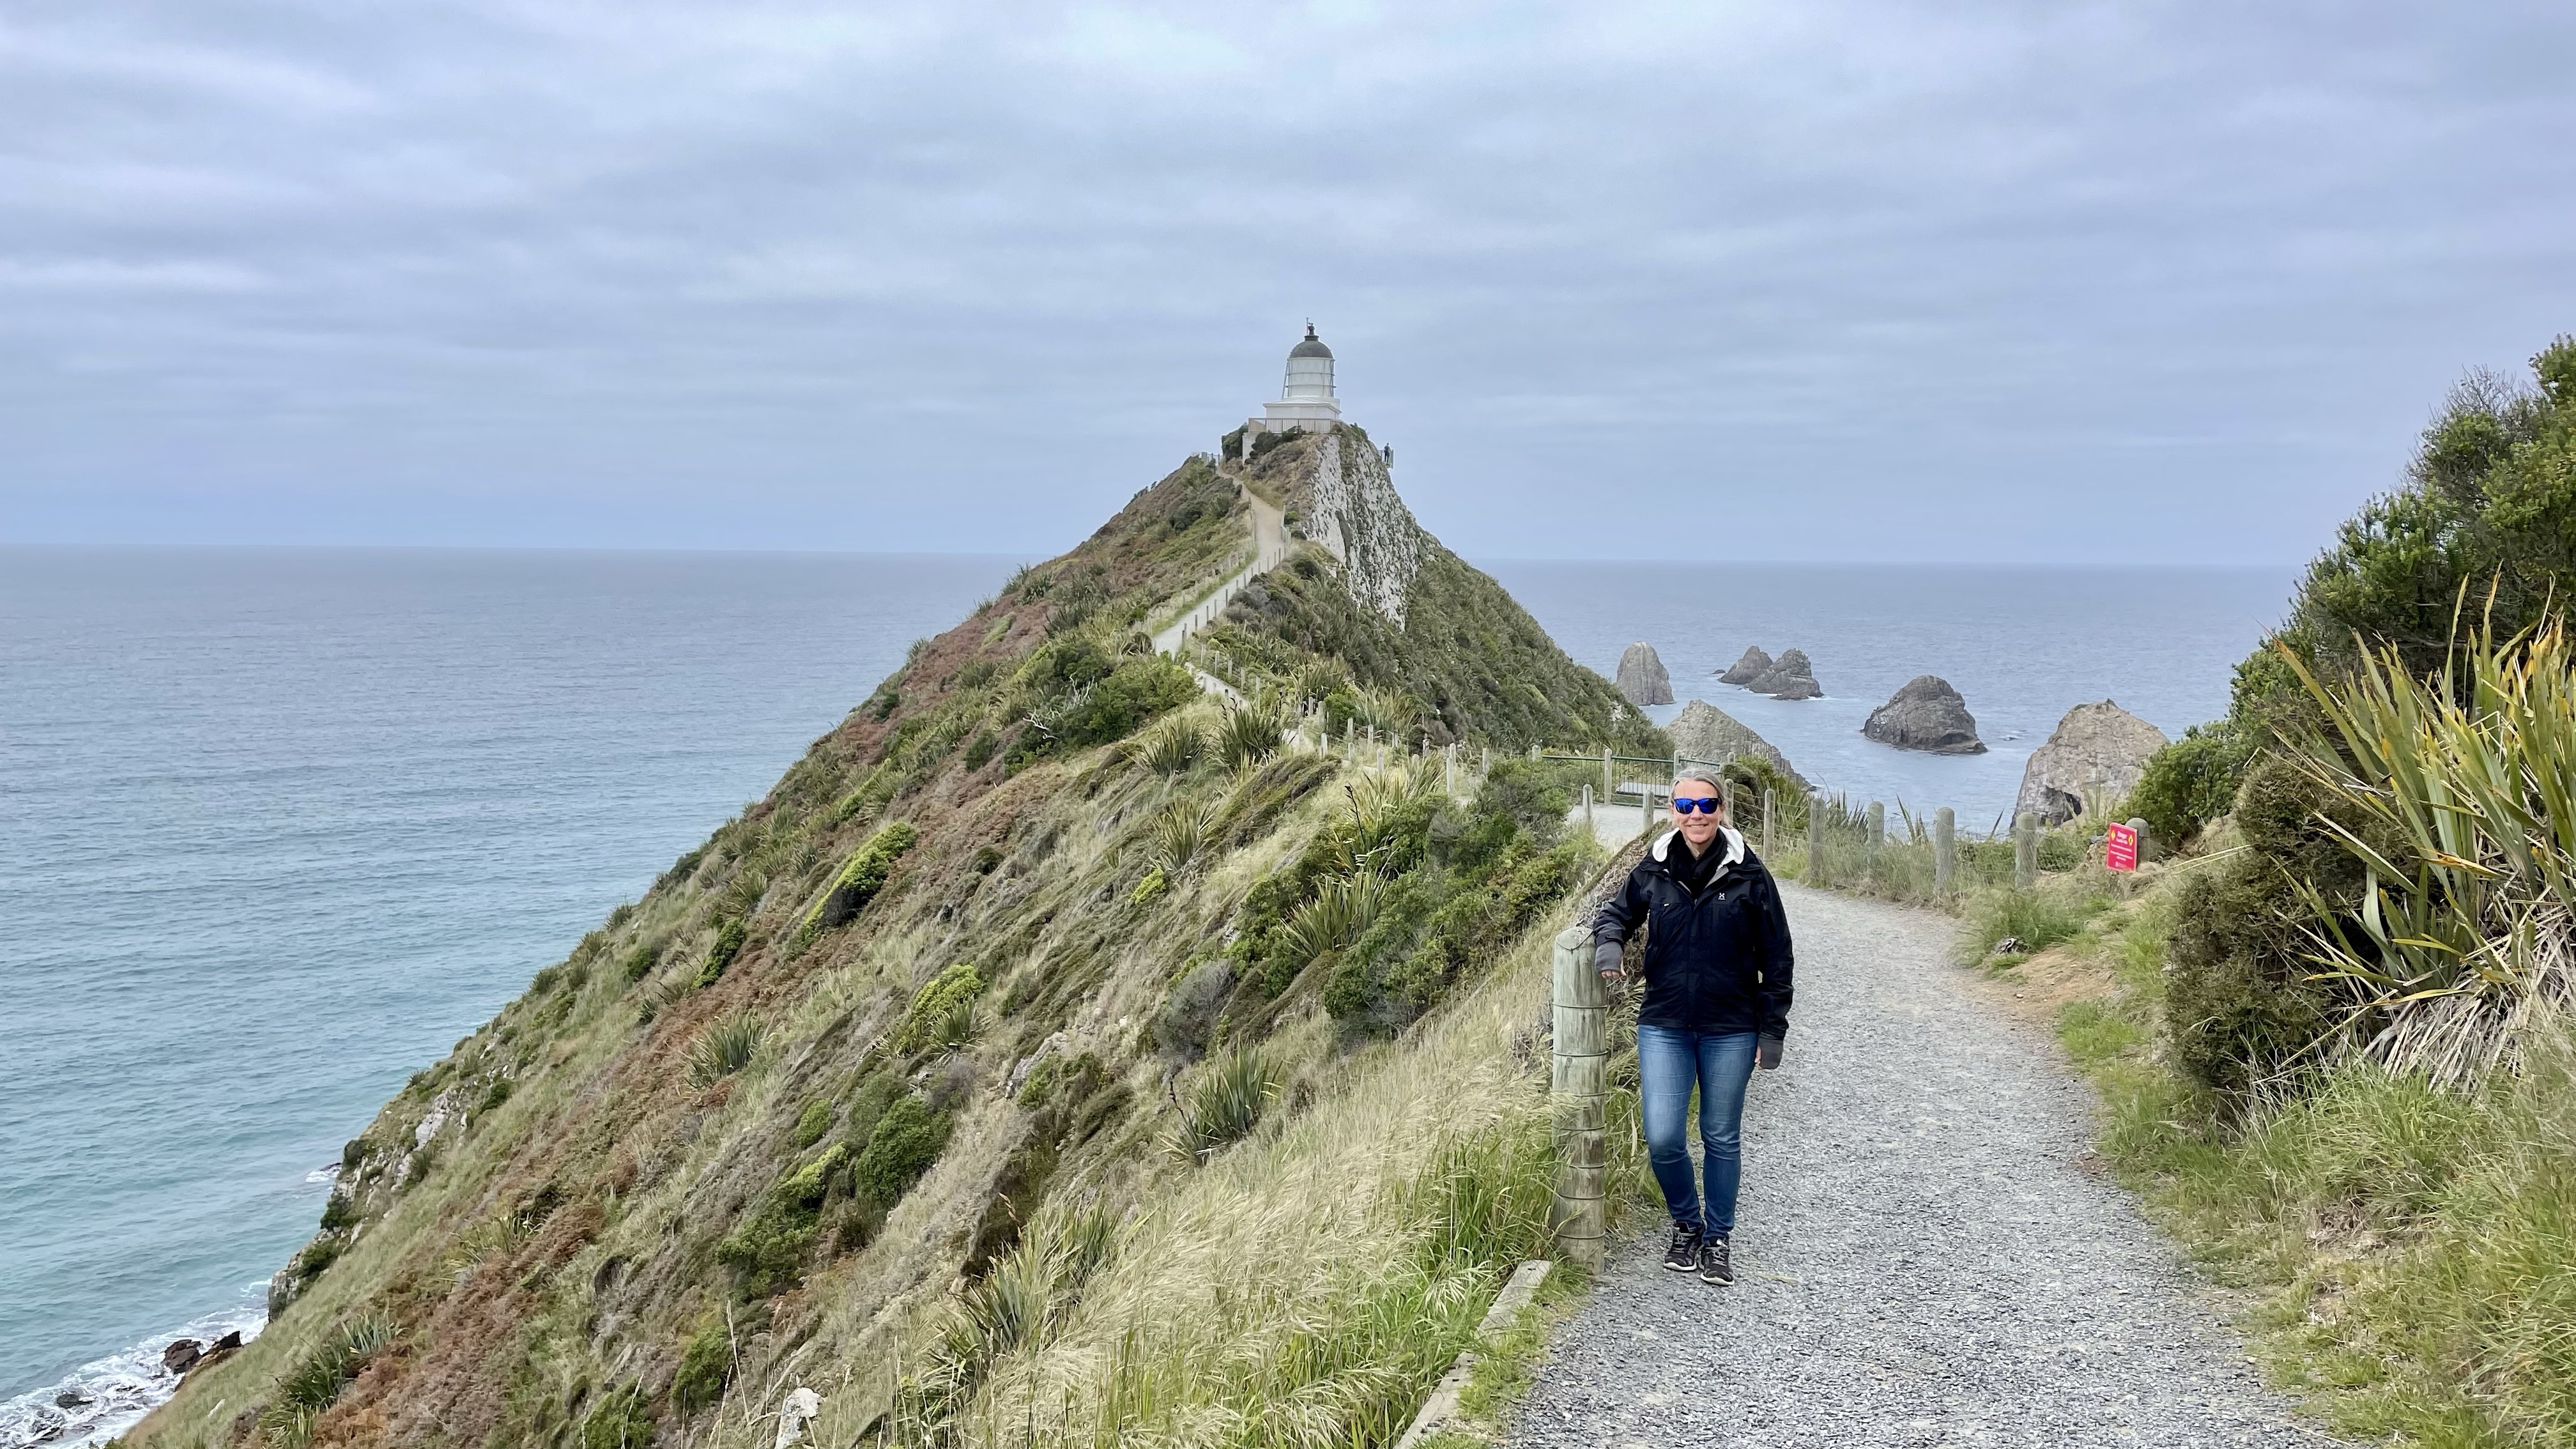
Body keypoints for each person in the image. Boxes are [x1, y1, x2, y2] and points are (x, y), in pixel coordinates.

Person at [1592, 774, 1793, 1285]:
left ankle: (1718, 1238)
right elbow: (1615, 913)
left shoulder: (1750, 874)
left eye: (1707, 804)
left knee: (1720, 1135)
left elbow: (1778, 956)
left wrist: (1772, 1030)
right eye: (1686, 804)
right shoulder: (1655, 867)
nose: (1696, 813)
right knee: (1663, 1136)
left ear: (1722, 809)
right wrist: (1609, 944)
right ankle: (1687, 1223)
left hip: (1732, 1027)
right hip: (1665, 1023)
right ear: (1672, 809)